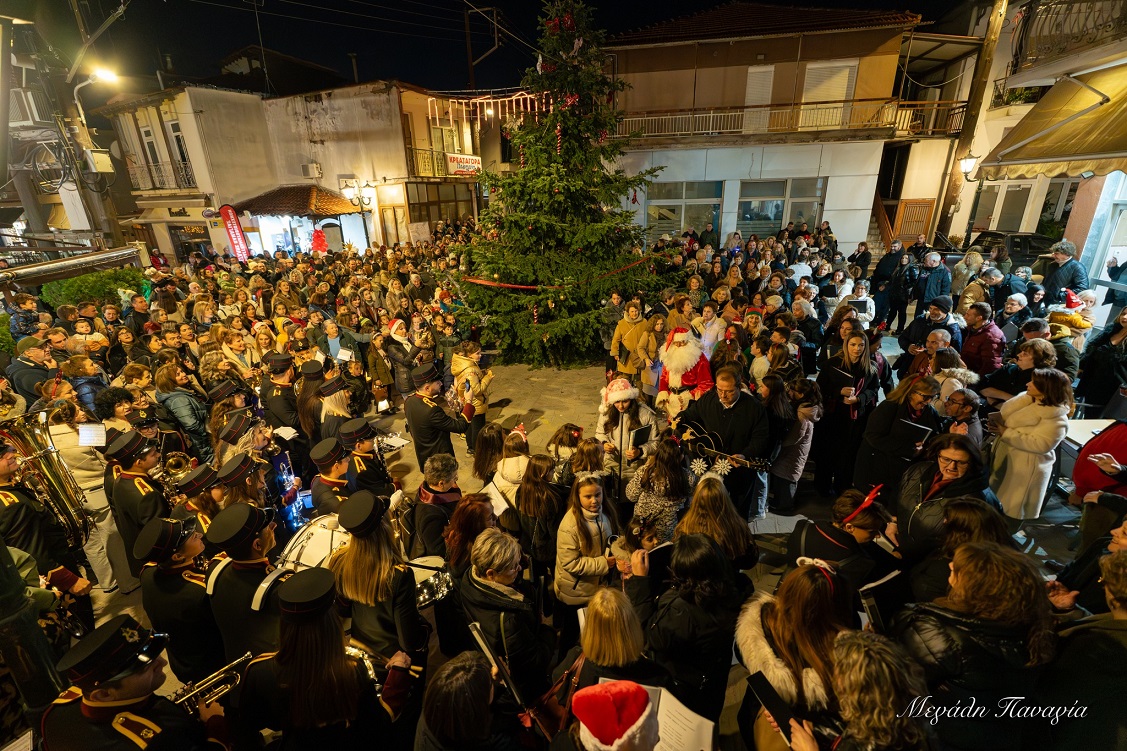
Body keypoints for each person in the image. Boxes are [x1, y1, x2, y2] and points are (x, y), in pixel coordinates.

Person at [892, 542, 1055, 751]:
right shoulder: (1032, 626)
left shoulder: (934, 632)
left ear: (975, 587)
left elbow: (900, 684)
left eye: (958, 568)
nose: (950, 565)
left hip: (945, 736)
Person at [231, 567, 416, 749]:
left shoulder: (259, 671)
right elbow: (375, 730)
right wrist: (398, 676)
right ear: (331, 621)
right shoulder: (353, 669)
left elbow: (246, 734)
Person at [40, 614, 228, 750]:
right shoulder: (159, 740)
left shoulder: (55, 712)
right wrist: (215, 724)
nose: (163, 663)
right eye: (146, 668)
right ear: (104, 694)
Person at [626, 534, 743, 721]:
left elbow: (647, 636)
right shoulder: (731, 588)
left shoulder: (682, 613)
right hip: (712, 684)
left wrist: (640, 582)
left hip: (684, 693)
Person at [735, 563, 848, 749]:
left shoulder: (761, 619)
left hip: (756, 716)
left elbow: (741, 654)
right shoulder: (832, 656)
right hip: (801, 736)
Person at [1036, 550, 1127, 751]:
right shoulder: (1116, 627)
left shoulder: (1098, 651)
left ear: (1114, 597)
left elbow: (1052, 700)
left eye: (1103, 581)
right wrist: (1071, 611)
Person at [783, 631, 930, 751]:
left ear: (855, 689)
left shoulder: (861, 745)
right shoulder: (909, 718)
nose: (834, 677)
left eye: (839, 670)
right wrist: (813, 728)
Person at [330, 491, 430, 668]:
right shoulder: (399, 575)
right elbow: (409, 641)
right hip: (394, 663)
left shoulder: (339, 561)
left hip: (362, 658)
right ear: (386, 527)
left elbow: (344, 610)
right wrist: (426, 627)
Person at [460, 527, 554, 705]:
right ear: (491, 574)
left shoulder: (470, 578)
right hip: (524, 690)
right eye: (513, 567)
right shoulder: (510, 621)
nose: (519, 568)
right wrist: (547, 629)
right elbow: (534, 662)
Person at [133, 517, 226, 684]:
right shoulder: (200, 589)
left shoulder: (147, 573)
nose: (199, 535)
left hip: (181, 662)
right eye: (193, 537)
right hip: (212, 667)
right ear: (177, 556)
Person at [892, 434, 1000, 563]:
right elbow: (898, 494)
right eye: (946, 459)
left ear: (972, 462)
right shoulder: (919, 470)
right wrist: (892, 521)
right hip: (896, 544)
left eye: (961, 462)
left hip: (926, 563)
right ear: (937, 455)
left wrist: (908, 553)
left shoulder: (976, 500)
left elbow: (961, 546)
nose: (951, 467)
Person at [990, 368, 1073, 522]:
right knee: (997, 506)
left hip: (1026, 469)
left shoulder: (1056, 418)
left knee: (1012, 511)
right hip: (1009, 461)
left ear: (1046, 388)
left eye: (1034, 382)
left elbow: (1041, 445)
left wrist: (1007, 433)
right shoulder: (1025, 402)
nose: (1028, 384)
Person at [205, 503, 283, 661]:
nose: (274, 526)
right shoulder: (277, 588)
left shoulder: (215, 570)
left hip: (236, 659)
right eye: (268, 527)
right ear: (257, 545)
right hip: (270, 666)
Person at [852, 375, 944, 508]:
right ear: (911, 392)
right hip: (878, 467)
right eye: (925, 397)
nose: (928, 401)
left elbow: (935, 436)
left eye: (933, 397)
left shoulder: (929, 411)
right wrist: (909, 448)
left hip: (902, 471)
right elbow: (872, 436)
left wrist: (925, 448)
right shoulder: (889, 407)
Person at [554, 474, 617, 657]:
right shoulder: (570, 525)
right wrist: (603, 563)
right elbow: (570, 562)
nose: (594, 500)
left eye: (597, 494)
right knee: (571, 634)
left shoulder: (605, 514)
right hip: (576, 591)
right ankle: (563, 667)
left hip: (595, 586)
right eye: (588, 496)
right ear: (577, 496)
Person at [907, 497, 1013, 603]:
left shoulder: (949, 571)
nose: (944, 522)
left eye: (947, 519)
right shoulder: (997, 554)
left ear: (961, 532)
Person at [814, 331, 880, 496]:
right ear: (846, 345)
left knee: (849, 454)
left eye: (861, 345)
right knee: (828, 453)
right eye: (853, 345)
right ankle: (823, 487)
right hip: (833, 416)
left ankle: (842, 487)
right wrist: (838, 391)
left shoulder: (870, 366)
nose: (857, 349)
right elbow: (819, 388)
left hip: (856, 418)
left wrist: (859, 399)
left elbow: (873, 389)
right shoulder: (832, 364)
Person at [414, 651, 521, 751]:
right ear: (476, 706)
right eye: (490, 683)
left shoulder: (436, 708)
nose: (492, 680)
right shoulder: (494, 743)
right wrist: (507, 683)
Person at [108, 431, 171, 578]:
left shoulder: (121, 480)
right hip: (159, 565)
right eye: (153, 454)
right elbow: (162, 533)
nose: (158, 455)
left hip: (140, 559)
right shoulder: (147, 495)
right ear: (138, 462)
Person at [404, 362, 473, 470]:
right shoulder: (432, 410)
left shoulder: (409, 400)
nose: (441, 383)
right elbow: (460, 426)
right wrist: (469, 401)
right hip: (440, 463)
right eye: (437, 382)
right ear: (427, 388)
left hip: (424, 457)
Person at [624, 437, 691, 542]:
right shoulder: (687, 477)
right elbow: (690, 501)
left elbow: (631, 495)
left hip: (643, 532)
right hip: (669, 532)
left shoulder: (645, 472)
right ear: (680, 456)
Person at [1076, 305, 1127, 416]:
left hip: (1115, 390)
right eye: (1123, 314)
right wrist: (1081, 367)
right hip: (1093, 383)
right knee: (1089, 416)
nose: (1124, 317)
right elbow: (1090, 353)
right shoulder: (1110, 331)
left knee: (1105, 420)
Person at [655, 327, 714, 420]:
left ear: (688, 342)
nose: (678, 346)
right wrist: (663, 392)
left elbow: (706, 384)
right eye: (676, 343)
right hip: (671, 403)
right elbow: (664, 377)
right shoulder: (669, 356)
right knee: (673, 427)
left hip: (690, 404)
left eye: (682, 342)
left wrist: (689, 396)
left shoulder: (698, 358)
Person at [979, 337, 1057, 405]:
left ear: (1038, 358)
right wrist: (1008, 397)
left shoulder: (1043, 380)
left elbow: (1029, 406)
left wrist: (995, 402)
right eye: (1021, 352)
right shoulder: (1009, 368)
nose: (1019, 355)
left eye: (1025, 354)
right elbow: (982, 386)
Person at [450, 340, 492, 450]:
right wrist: (488, 378)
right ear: (469, 355)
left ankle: (470, 448)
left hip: (467, 402)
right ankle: (477, 451)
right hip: (476, 403)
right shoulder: (470, 370)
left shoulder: (462, 365)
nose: (480, 355)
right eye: (477, 353)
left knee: (469, 426)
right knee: (478, 430)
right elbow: (477, 390)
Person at [340, 418, 394, 496]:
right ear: (359, 446)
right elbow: (378, 491)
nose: (373, 441)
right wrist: (394, 486)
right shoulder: (362, 472)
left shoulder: (364, 453)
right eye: (370, 440)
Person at [961, 301, 1007, 375]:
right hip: (966, 373)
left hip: (975, 377)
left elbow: (991, 365)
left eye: (968, 315)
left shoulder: (992, 336)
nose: (965, 317)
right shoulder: (972, 328)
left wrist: (977, 380)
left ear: (979, 318)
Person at [1039, 239, 1089, 304]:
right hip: (1045, 301)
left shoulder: (1077, 267)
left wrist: (1060, 296)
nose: (1053, 255)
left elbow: (1082, 289)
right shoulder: (1052, 265)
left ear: (1066, 254)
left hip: (1062, 304)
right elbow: (1045, 282)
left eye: (1056, 253)